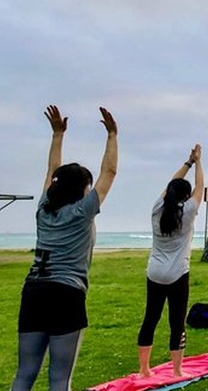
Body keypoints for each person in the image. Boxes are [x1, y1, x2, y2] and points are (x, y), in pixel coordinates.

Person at [13, 105, 118, 391]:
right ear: (82, 189)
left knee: (24, 374)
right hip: (66, 294)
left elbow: (51, 171)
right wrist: (112, 135)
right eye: (87, 185)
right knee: (59, 378)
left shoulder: (44, 208)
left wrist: (58, 134)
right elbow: (109, 171)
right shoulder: (82, 212)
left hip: (33, 291)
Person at [137, 145, 204, 378]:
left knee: (150, 319)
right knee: (177, 322)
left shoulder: (157, 209)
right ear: (185, 197)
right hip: (177, 274)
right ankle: (177, 371)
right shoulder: (188, 211)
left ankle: (144, 369)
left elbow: (172, 185)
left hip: (154, 273)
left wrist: (187, 164)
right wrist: (198, 162)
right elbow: (199, 188)